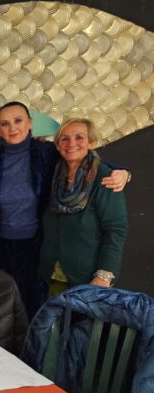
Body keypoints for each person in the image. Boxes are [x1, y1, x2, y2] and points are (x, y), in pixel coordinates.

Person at [0, 102, 130, 317]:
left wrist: (124, 173)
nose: (12, 128)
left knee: (38, 312)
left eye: (18, 120)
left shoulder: (45, 152)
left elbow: (90, 163)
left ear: (30, 123)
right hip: (7, 249)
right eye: (5, 123)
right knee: (3, 309)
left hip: (36, 248)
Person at [39, 118, 128, 292]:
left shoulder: (105, 178)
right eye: (64, 138)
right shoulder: (54, 174)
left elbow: (116, 230)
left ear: (91, 142)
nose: (71, 143)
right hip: (53, 272)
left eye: (79, 137)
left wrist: (104, 275)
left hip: (88, 277)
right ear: (58, 146)